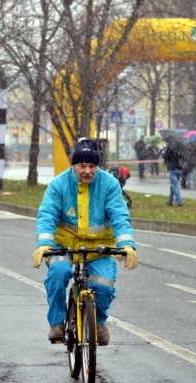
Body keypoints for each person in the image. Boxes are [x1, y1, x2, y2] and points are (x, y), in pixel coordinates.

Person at [33, 139, 138, 345]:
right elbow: (47, 215)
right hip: (64, 247)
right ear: (73, 165)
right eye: (82, 165)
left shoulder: (109, 184)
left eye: (92, 166)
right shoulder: (58, 185)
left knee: (104, 286)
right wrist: (44, 244)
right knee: (58, 274)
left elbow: (119, 215)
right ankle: (57, 323)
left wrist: (127, 244)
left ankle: (98, 323)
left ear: (98, 166)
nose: (87, 171)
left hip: (98, 249)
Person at [161, 142, 184, 207]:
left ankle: (179, 202)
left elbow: (164, 156)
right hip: (180, 169)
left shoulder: (170, 148)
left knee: (175, 186)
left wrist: (163, 152)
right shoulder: (180, 148)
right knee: (173, 186)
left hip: (173, 169)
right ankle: (170, 201)